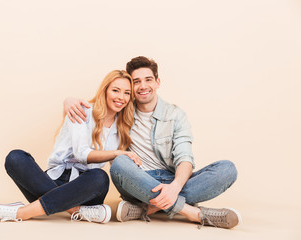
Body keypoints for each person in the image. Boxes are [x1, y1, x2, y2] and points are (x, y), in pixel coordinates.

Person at [64, 56, 241, 229]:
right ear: (131, 87)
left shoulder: (175, 115)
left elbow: (184, 157)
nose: (143, 86)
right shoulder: (121, 107)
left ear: (157, 82)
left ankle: (147, 208)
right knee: (119, 163)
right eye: (136, 81)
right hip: (136, 181)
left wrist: (175, 187)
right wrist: (68, 101)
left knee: (227, 169)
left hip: (171, 181)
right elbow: (98, 106)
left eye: (148, 79)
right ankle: (192, 213)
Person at [0, 70, 141, 223]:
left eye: (127, 93)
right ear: (105, 90)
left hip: (85, 188)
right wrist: (117, 153)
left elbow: (117, 169)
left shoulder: (123, 127)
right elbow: (81, 154)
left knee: (100, 177)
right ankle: (75, 211)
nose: (121, 97)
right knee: (15, 158)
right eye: (116, 90)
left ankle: (21, 212)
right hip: (53, 180)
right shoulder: (81, 110)